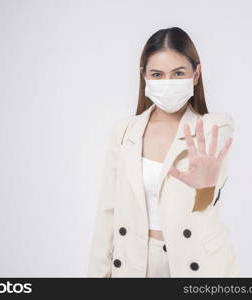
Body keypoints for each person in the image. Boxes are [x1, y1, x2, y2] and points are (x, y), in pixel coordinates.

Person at [87, 27, 240, 277]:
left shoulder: (214, 128)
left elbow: (208, 199)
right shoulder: (125, 132)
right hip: (133, 261)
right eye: (157, 74)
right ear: (143, 76)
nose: (167, 83)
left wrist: (204, 187)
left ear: (196, 74)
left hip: (193, 264)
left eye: (178, 73)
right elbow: (108, 211)